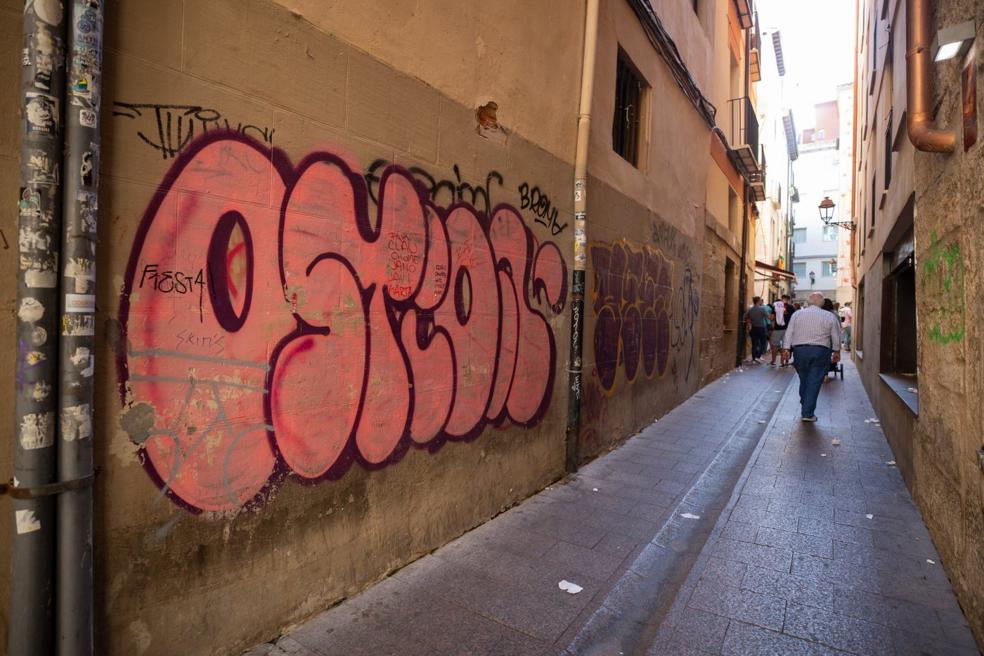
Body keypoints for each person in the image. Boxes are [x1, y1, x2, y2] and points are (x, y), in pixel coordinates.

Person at [782, 292, 842, 421]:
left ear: (809, 301)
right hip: (820, 351)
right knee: (814, 381)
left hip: (800, 351)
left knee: (804, 379)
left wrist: (786, 348)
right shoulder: (829, 316)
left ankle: (806, 403)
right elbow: (836, 335)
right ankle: (807, 413)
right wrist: (837, 351)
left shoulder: (797, 314)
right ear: (821, 302)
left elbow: (789, 332)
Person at [744, 296, 770, 363]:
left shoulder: (750, 309)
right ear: (758, 301)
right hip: (761, 328)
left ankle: (754, 358)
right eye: (760, 300)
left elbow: (745, 317)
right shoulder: (762, 309)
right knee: (763, 343)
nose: (761, 301)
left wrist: (749, 322)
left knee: (754, 344)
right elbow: (768, 316)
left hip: (753, 328)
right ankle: (758, 356)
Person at [769, 295, 792, 366]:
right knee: (785, 346)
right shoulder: (791, 307)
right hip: (787, 330)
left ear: (782, 299)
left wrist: (770, 316)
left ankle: (773, 361)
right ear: (788, 300)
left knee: (774, 345)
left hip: (777, 329)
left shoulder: (775, 306)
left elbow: (771, 318)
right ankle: (782, 362)